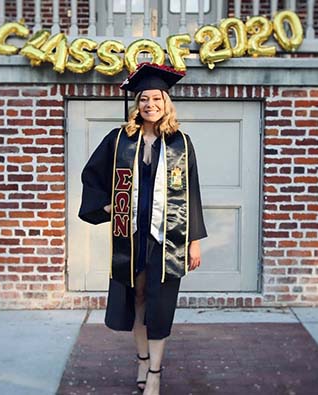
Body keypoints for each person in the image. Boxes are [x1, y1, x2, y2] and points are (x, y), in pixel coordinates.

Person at [78, 62, 207, 394]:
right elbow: (92, 176)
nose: (150, 105)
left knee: (159, 303)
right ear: (137, 104)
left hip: (167, 237)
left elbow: (192, 192)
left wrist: (194, 241)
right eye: (144, 99)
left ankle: (154, 371)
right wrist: (106, 206)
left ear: (167, 103)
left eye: (157, 99)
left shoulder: (180, 143)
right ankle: (141, 357)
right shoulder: (119, 139)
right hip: (131, 236)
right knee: (135, 298)